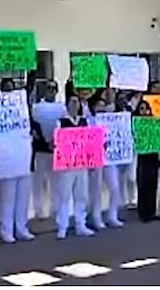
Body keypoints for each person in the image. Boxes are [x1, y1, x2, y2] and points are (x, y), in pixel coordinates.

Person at [0, 78, 35, 243]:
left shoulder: (23, 108)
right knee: (8, 198)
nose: (10, 92)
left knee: (23, 197)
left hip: (23, 157)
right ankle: (7, 230)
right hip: (7, 160)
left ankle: (21, 227)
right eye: (7, 89)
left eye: (12, 88)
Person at [53, 94, 94, 239]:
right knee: (64, 196)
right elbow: (56, 141)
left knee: (81, 195)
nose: (75, 105)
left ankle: (80, 224)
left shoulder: (84, 121)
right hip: (67, 166)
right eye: (72, 102)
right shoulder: (61, 122)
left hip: (81, 164)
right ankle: (62, 226)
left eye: (77, 102)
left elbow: (90, 141)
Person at [87, 96, 124, 229]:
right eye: (99, 105)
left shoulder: (112, 121)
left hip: (110, 158)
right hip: (96, 159)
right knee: (96, 189)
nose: (102, 108)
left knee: (115, 186)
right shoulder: (89, 121)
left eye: (104, 105)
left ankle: (112, 215)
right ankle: (96, 217)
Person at [31, 80, 64, 219]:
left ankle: (55, 208)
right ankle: (38, 210)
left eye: (53, 88)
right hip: (40, 149)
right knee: (38, 182)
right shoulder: (36, 108)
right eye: (49, 88)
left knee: (56, 182)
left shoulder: (62, 108)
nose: (51, 91)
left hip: (56, 150)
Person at [133, 99, 160, 222]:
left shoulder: (153, 122)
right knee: (143, 185)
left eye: (146, 109)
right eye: (142, 109)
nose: (145, 111)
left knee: (153, 184)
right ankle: (143, 212)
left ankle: (152, 211)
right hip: (142, 158)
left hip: (153, 157)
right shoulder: (135, 124)